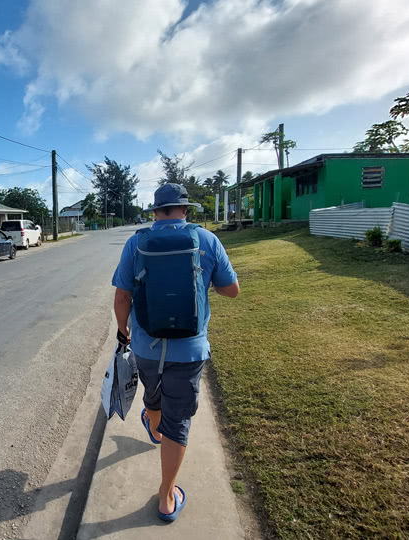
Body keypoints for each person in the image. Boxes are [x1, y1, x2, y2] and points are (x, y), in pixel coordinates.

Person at [111, 183, 239, 522]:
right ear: (185, 210)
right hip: (189, 349)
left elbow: (122, 296)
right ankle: (166, 496)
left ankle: (153, 425)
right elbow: (232, 291)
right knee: (178, 421)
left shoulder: (136, 243)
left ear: (155, 213)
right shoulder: (206, 240)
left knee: (152, 395)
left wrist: (123, 328)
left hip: (146, 345)